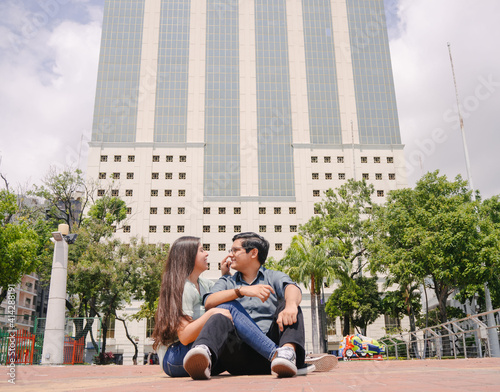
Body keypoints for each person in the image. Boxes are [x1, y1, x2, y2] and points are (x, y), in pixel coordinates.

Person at [182, 232, 315, 379]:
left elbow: (292, 288)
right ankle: (203, 354)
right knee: (220, 312)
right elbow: (209, 302)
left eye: (235, 250)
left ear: (253, 253)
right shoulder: (227, 282)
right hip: (237, 355)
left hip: (274, 358)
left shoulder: (273, 276)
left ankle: (287, 354)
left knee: (289, 305)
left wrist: (291, 305)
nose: (230, 255)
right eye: (230, 251)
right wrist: (240, 291)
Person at [152, 236, 282, 378]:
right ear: (188, 256)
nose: (206, 253)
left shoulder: (204, 284)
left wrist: (225, 276)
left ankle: (272, 359)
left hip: (200, 349)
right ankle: (276, 353)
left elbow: (219, 297)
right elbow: (184, 336)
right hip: (176, 356)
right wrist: (213, 312)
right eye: (202, 250)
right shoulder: (182, 288)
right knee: (229, 307)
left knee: (228, 317)